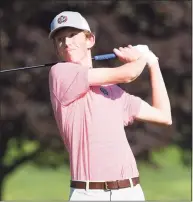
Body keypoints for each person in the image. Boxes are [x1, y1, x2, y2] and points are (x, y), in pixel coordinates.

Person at [48, 11, 172, 201]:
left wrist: (153, 64)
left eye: (72, 35)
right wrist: (141, 58)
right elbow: (128, 74)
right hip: (88, 193)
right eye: (60, 39)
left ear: (90, 40)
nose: (66, 42)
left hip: (130, 190)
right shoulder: (60, 73)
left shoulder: (113, 92)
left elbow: (163, 116)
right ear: (57, 49)